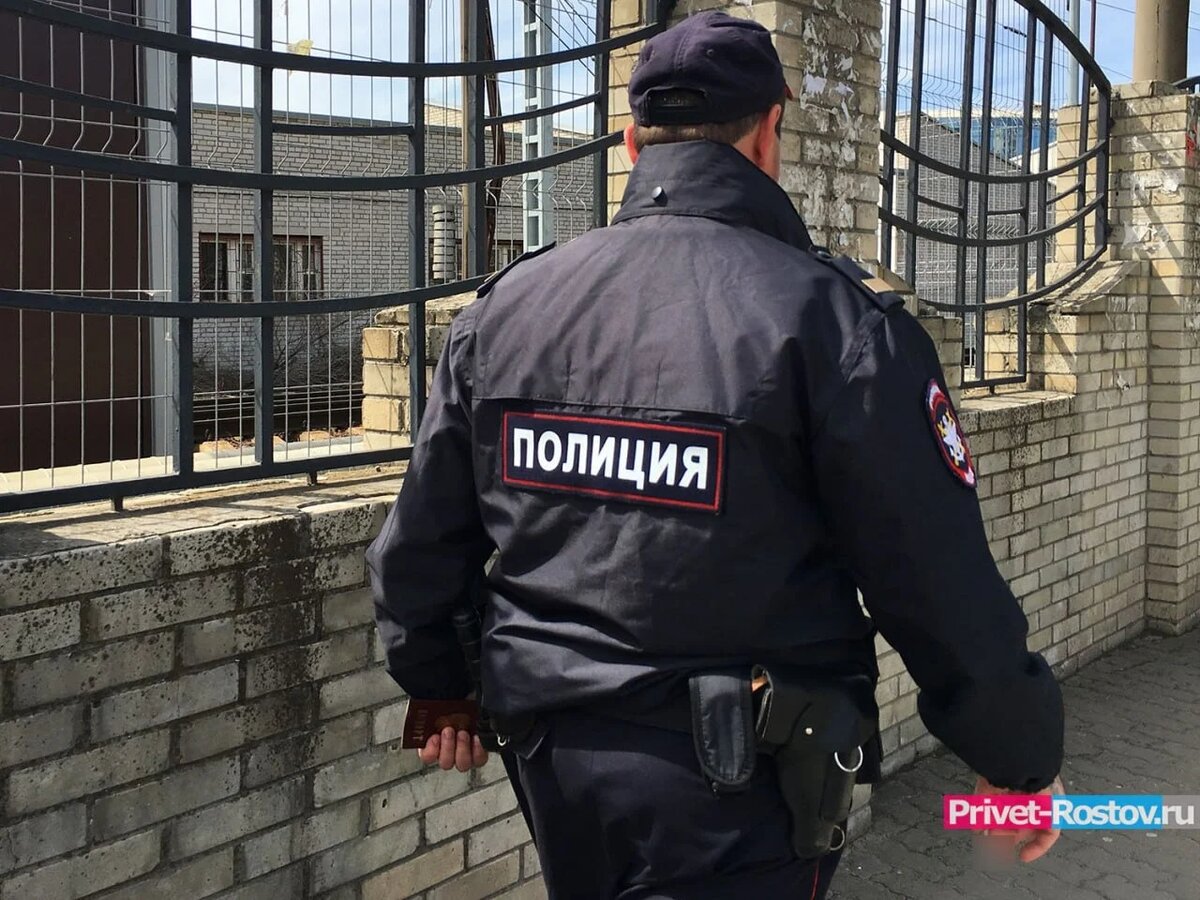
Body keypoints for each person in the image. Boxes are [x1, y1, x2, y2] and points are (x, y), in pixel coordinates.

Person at [368, 10, 1065, 899]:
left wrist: (439, 687)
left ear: (632, 144)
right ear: (770, 132)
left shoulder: (505, 311)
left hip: (554, 761)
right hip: (744, 790)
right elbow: (933, 577)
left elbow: (420, 545)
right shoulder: (835, 325)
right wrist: (1015, 761)